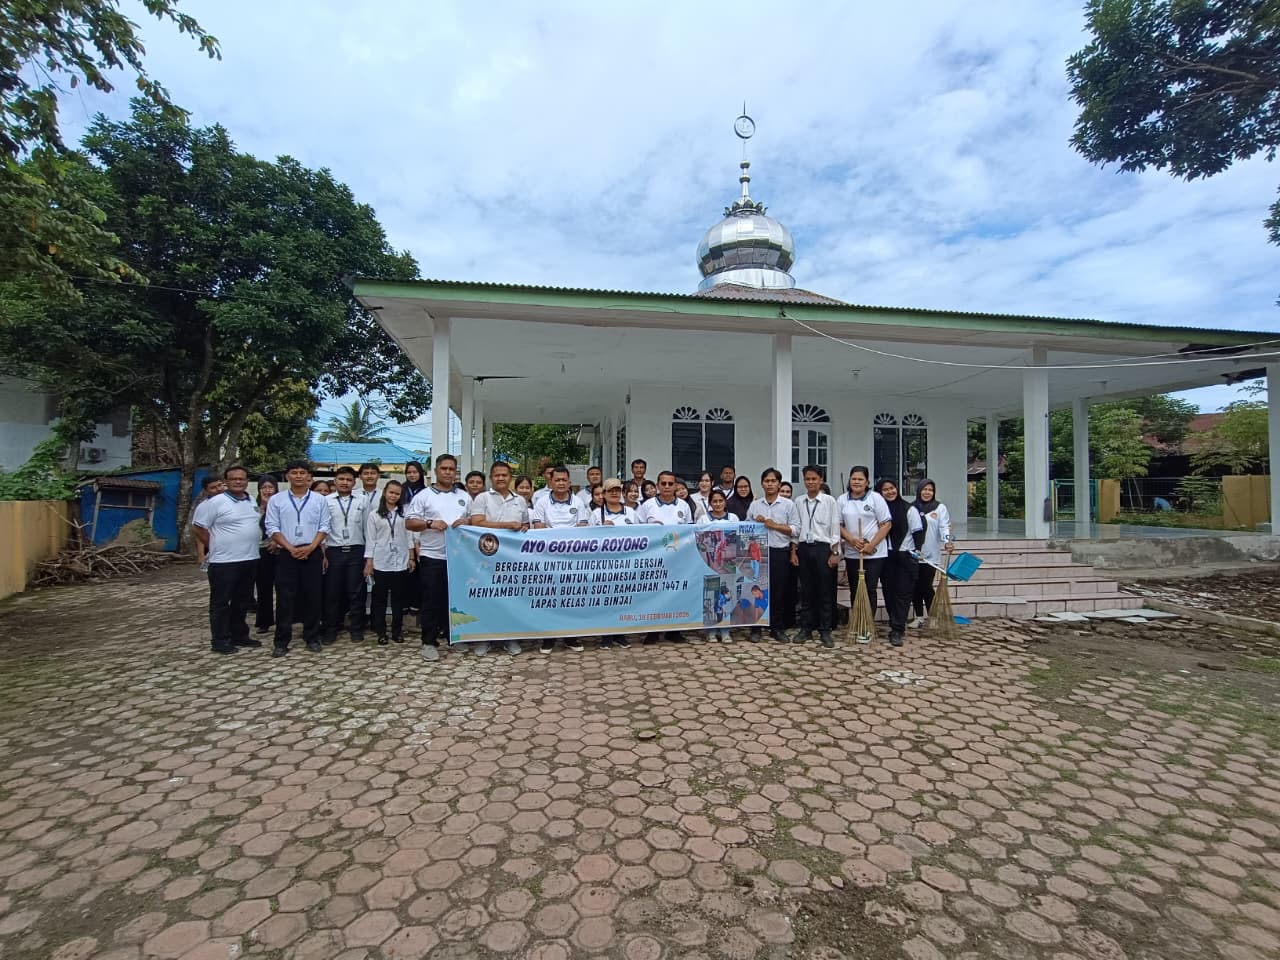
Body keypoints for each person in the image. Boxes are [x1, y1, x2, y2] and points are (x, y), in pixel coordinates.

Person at [405, 454, 471, 662]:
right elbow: (409, 523)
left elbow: (472, 520)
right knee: (432, 600)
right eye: (444, 468)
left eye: (452, 469)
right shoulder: (423, 496)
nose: (448, 472)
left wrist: (467, 522)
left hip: (459, 558)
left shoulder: (464, 496)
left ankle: (455, 637)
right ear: (436, 471)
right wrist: (430, 523)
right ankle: (429, 642)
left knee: (456, 599)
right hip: (433, 556)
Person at [192, 465, 262, 655]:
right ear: (226, 482)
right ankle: (220, 640)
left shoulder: (250, 500)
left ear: (247, 481)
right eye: (233, 479)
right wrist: (214, 545)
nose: (238, 481)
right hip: (223, 562)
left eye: (242, 478)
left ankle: (239, 635)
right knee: (221, 603)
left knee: (242, 601)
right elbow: (198, 527)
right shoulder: (214, 503)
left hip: (250, 558)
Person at [264, 460, 330, 657]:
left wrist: (311, 547)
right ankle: (281, 641)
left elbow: (325, 526)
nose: (299, 476)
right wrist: (290, 548)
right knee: (285, 597)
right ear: (287, 476)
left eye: (302, 472)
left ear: (308, 476)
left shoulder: (319, 500)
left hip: (312, 552)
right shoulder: (277, 500)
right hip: (287, 553)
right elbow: (272, 527)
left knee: (313, 596)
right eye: (294, 472)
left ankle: (312, 637)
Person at [469, 461, 530, 656]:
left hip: (512, 559)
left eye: (505, 475)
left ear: (510, 478)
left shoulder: (520, 500)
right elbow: (477, 523)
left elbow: (526, 525)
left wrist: (522, 528)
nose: (501, 478)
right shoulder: (482, 498)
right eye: (497, 475)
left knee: (511, 598)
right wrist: (507, 525)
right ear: (491, 478)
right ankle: (483, 638)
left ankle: (510, 638)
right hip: (485, 557)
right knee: (486, 597)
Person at [532, 464, 588, 654]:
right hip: (548, 558)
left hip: (573, 559)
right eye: (557, 480)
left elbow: (582, 528)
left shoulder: (578, 502)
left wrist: (557, 535)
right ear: (551, 481)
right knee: (549, 599)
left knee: (571, 598)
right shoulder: (542, 502)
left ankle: (571, 637)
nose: (561, 483)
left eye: (564, 480)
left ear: (569, 482)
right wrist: (562, 537)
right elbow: (539, 528)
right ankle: (548, 638)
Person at [637, 471, 693, 643]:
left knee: (676, 593)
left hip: (678, 559)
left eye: (670, 483)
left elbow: (689, 532)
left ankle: (674, 631)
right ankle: (652, 631)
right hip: (654, 559)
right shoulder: (647, 505)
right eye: (663, 483)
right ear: (657, 485)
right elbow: (638, 531)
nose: (667, 487)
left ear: (675, 486)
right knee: (653, 594)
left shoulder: (683, 505)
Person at [839, 466, 892, 643]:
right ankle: (857, 622)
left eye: (860, 479)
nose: (856, 482)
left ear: (867, 482)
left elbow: (886, 524)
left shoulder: (876, 498)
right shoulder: (842, 500)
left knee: (869, 589)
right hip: (853, 553)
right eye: (854, 478)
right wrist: (852, 540)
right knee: (855, 589)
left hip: (874, 553)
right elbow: (838, 525)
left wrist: (871, 545)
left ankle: (867, 626)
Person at [749, 468, 800, 644]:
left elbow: (795, 530)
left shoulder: (788, 505)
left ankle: (776, 628)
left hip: (780, 551)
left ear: (779, 484)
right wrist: (756, 523)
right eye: (767, 481)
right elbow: (746, 529)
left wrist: (775, 526)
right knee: (758, 589)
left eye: (773, 481)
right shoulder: (755, 505)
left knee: (779, 591)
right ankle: (756, 627)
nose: (770, 484)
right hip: (759, 553)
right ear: (762, 483)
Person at [792, 465, 841, 648]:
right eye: (807, 479)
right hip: (804, 548)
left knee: (825, 590)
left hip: (823, 549)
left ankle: (825, 629)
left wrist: (835, 552)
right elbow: (796, 528)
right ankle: (806, 627)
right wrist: (794, 550)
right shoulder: (799, 501)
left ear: (821, 480)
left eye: (814, 479)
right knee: (806, 590)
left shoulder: (829, 501)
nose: (810, 482)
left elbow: (835, 528)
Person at [322, 466, 369, 645]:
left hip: (356, 551)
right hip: (334, 551)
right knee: (332, 593)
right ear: (335, 481)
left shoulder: (362, 500)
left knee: (356, 593)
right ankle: (331, 629)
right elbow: (322, 528)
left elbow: (367, 528)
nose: (345, 483)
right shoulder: (326, 501)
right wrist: (323, 553)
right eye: (341, 479)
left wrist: (368, 555)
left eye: (349, 480)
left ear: (354, 482)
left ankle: (356, 629)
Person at [365, 480, 416, 645]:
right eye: (391, 492)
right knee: (379, 599)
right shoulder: (374, 515)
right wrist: (369, 562)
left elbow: (410, 536)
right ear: (385, 492)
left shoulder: (404, 513)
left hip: (401, 561)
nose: (393, 496)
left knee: (398, 600)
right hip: (381, 562)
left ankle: (396, 631)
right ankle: (381, 631)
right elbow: (370, 540)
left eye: (397, 494)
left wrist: (411, 557)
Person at [589, 477, 637, 648]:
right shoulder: (597, 514)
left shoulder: (631, 512)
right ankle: (606, 635)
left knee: (622, 599)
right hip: (605, 564)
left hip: (626, 562)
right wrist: (600, 529)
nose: (614, 493)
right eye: (610, 491)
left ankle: (620, 634)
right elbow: (588, 539)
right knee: (606, 600)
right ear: (604, 494)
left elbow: (641, 534)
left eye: (617, 490)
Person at [876, 478, 924, 647]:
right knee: (889, 592)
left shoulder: (909, 509)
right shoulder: (879, 509)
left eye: (892, 488)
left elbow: (918, 532)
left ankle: (897, 629)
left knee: (903, 594)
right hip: (886, 556)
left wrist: (917, 551)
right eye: (885, 490)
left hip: (905, 556)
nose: (890, 492)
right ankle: (894, 621)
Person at [911, 479, 954, 627]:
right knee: (914, 587)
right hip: (913, 554)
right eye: (924, 489)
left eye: (930, 490)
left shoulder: (939, 508)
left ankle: (933, 617)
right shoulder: (912, 508)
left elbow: (944, 526)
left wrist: (947, 541)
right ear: (919, 491)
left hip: (930, 555)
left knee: (926, 586)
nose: (927, 492)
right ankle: (918, 617)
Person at [704, 489, 737, 642]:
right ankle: (710, 631)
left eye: (720, 501)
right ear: (710, 503)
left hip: (728, 563)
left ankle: (725, 631)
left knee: (726, 596)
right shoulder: (704, 519)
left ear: (725, 502)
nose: (717, 504)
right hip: (709, 564)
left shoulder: (733, 518)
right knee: (711, 596)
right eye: (714, 501)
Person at [253, 476, 278, 634]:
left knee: (283, 587)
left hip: (278, 550)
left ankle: (284, 618)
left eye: (270, 487)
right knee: (263, 587)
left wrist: (276, 541)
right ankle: (264, 621)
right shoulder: (253, 507)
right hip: (259, 551)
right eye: (264, 487)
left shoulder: (280, 505)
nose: (267, 491)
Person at [401, 462, 427, 614]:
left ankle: (416, 603)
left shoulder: (425, 492)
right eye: (409, 472)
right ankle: (404, 603)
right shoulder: (401, 491)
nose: (412, 475)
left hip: (420, 535)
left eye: (415, 472)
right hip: (402, 534)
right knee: (404, 571)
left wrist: (417, 541)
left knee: (418, 572)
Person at [191, 474, 227, 569]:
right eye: (213, 488)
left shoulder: (234, 501)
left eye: (220, 485)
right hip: (217, 552)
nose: (218, 489)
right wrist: (201, 555)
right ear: (206, 491)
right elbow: (199, 531)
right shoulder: (204, 507)